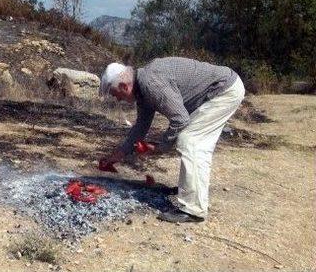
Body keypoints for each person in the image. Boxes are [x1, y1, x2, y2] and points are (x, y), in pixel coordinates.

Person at [99, 57, 245, 223]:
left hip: (223, 90)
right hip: (222, 89)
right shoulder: (142, 89)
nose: (117, 99)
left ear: (125, 86)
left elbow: (180, 119)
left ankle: (193, 210)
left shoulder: (151, 83)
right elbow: (141, 125)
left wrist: (161, 147)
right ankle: (191, 194)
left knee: (190, 141)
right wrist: (120, 153)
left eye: (115, 94)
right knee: (196, 143)